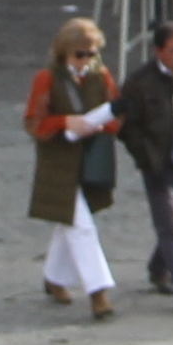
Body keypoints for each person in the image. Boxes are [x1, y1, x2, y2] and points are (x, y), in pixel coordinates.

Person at [24, 17, 122, 316]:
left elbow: (117, 115)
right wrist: (66, 122)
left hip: (89, 159)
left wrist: (98, 125)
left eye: (91, 54)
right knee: (82, 227)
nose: (85, 61)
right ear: (64, 53)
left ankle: (54, 277)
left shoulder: (100, 76)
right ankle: (98, 292)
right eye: (80, 54)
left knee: (71, 220)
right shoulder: (47, 79)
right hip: (58, 162)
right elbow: (34, 122)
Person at [115, 21, 173, 314]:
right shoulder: (141, 83)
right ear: (159, 52)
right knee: (171, 223)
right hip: (159, 163)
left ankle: (159, 266)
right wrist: (145, 155)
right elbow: (126, 125)